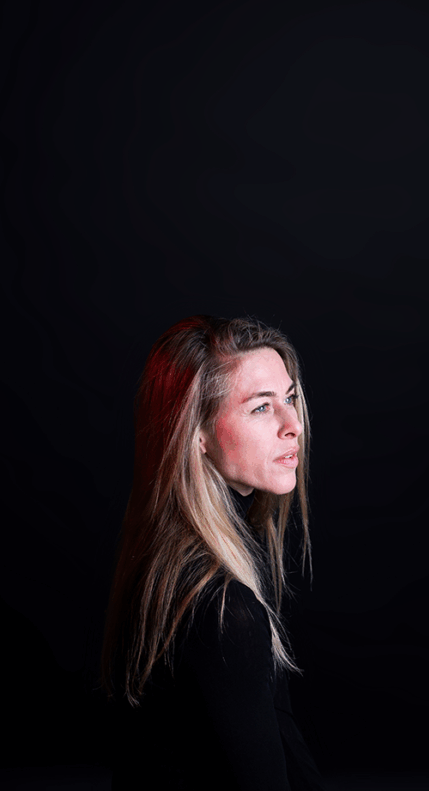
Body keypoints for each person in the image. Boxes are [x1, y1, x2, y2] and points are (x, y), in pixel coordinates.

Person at [100, 315, 326, 791]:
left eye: (289, 399)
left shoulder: (177, 565)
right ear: (197, 433)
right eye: (261, 408)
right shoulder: (222, 607)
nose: (293, 426)